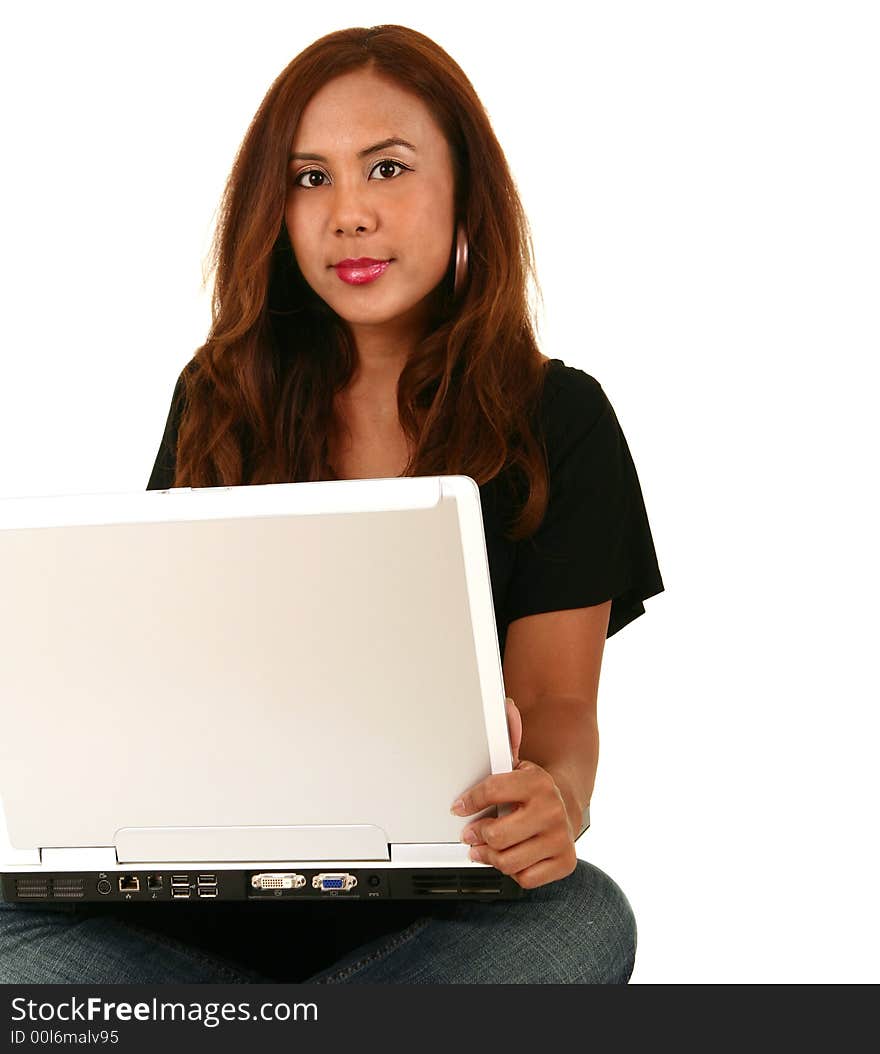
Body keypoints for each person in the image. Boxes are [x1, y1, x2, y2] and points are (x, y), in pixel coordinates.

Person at [0, 24, 663, 984]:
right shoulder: (218, 394)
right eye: (310, 179)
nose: (347, 214)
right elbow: (154, 672)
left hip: (439, 910)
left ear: (465, 189)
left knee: (583, 919)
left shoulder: (560, 418)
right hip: (192, 907)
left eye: (386, 168)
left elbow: (560, 703)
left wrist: (554, 798)